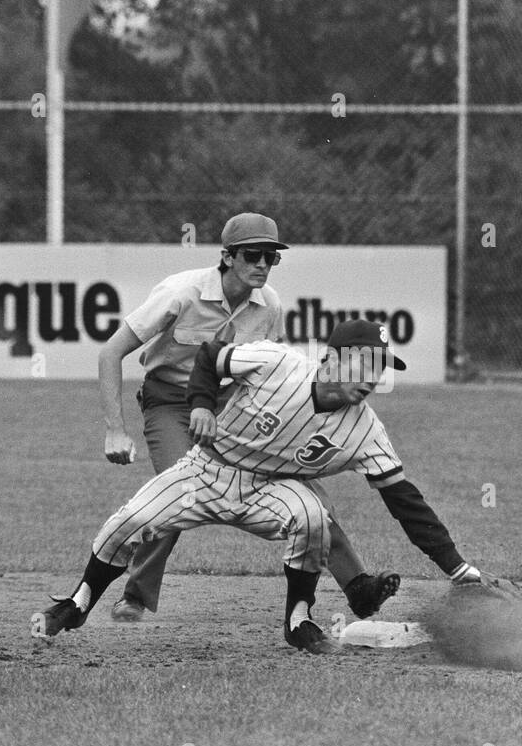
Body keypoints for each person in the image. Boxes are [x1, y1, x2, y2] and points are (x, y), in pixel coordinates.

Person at [31, 320, 521, 654]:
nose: (374, 378)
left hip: (270, 488)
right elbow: (210, 356)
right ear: (334, 359)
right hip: (206, 469)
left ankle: (298, 620)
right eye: (366, 363)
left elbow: (406, 503)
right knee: (133, 519)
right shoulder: (277, 363)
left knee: (312, 517)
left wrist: (459, 569)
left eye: (381, 369)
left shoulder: (366, 431)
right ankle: (78, 602)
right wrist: (200, 404)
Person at [96, 212, 397, 624]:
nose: (262, 264)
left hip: (234, 406)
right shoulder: (180, 294)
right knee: (177, 489)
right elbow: (111, 352)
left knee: (308, 493)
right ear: (227, 256)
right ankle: (136, 594)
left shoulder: (269, 304)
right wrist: (115, 429)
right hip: (171, 402)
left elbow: (276, 370)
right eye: (253, 254)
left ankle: (359, 586)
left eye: (271, 257)